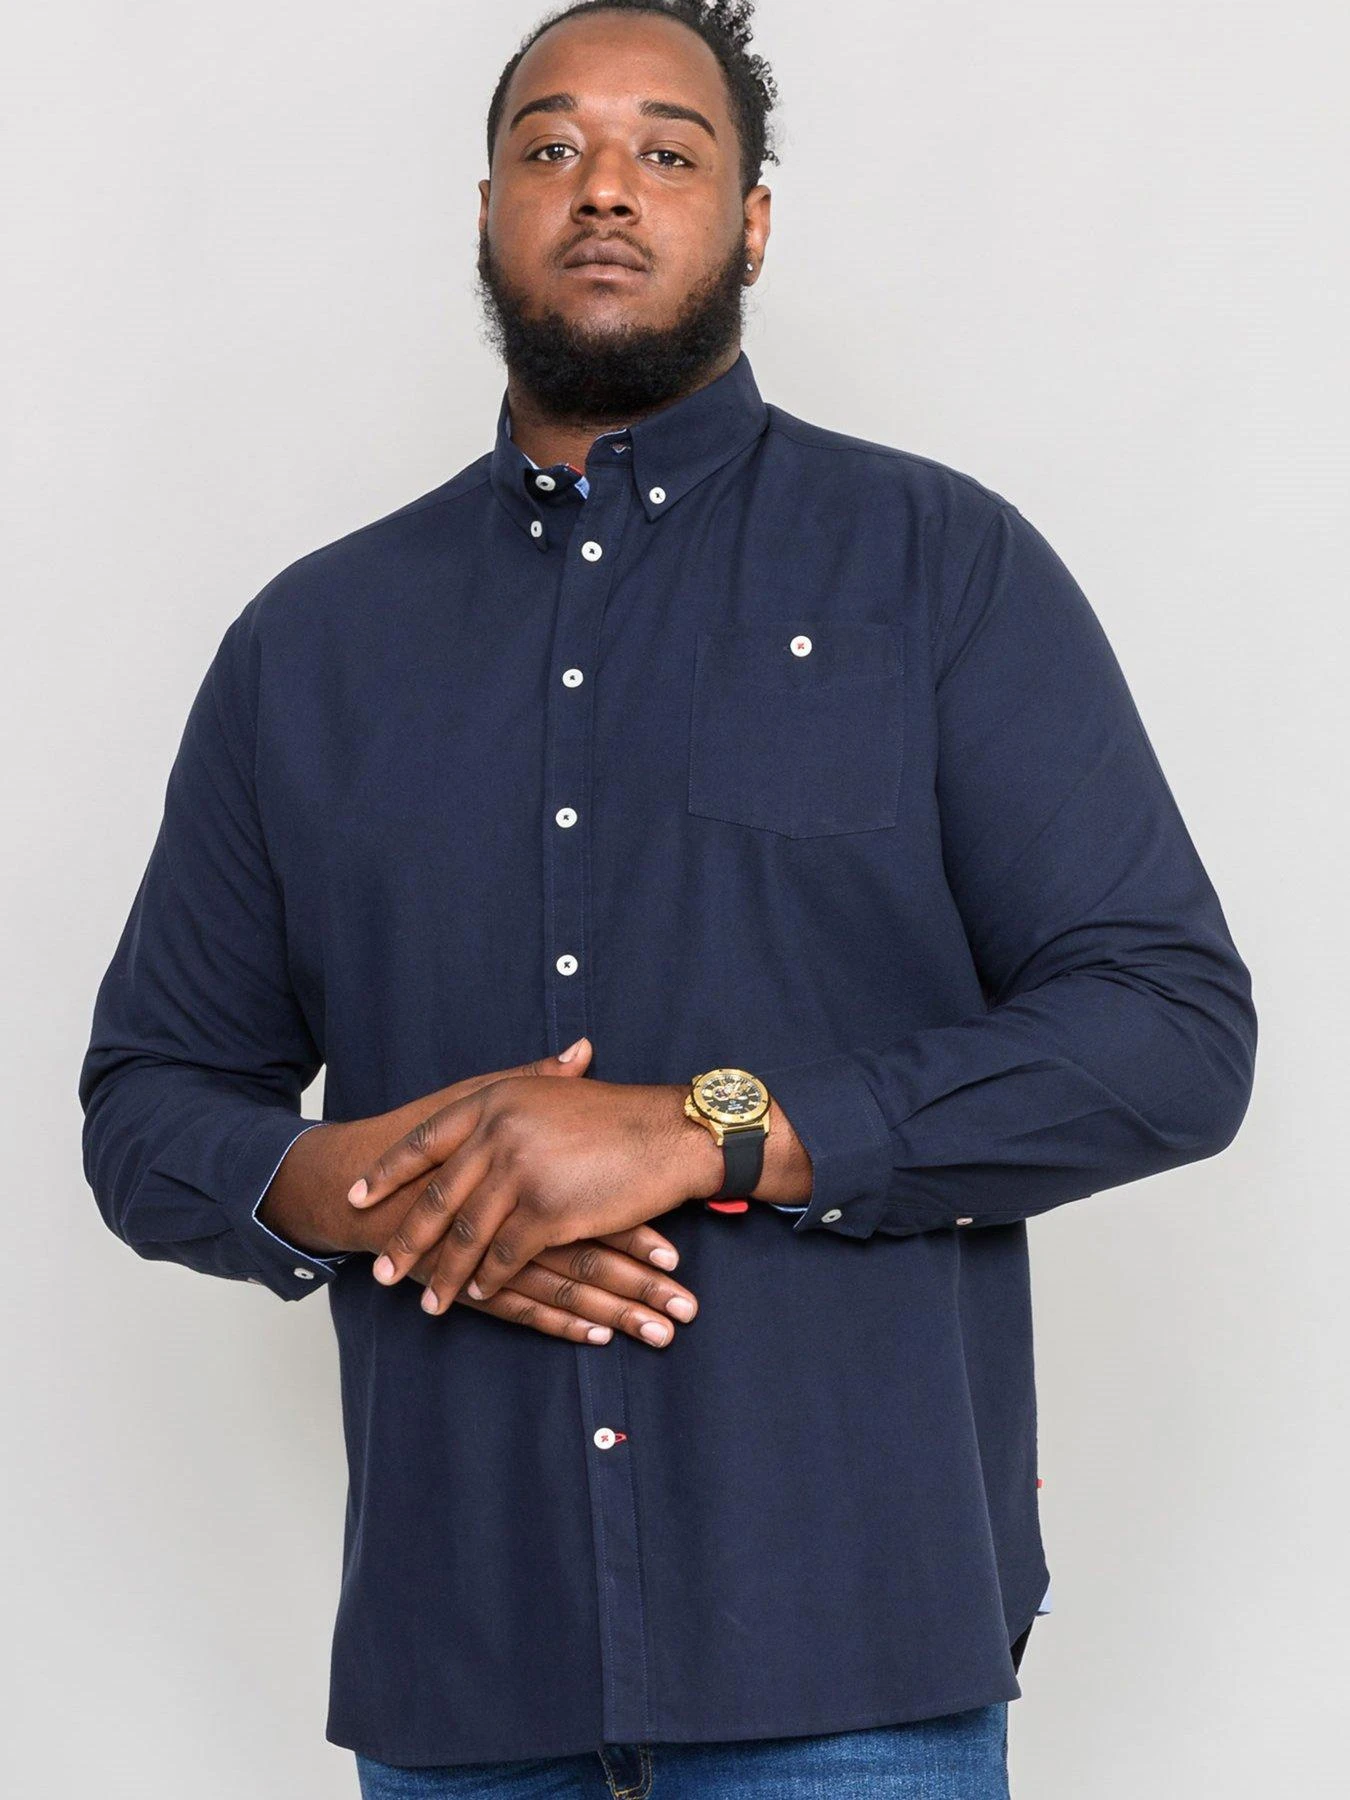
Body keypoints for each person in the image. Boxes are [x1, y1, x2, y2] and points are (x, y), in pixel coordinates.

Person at [77, 2, 1258, 1795]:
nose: (604, 187)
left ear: (752, 221)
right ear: (487, 213)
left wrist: (704, 1129)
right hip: (464, 1661)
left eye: (667, 151)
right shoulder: (309, 646)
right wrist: (406, 1181)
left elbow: (1165, 1033)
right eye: (551, 148)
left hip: (850, 1652)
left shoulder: (939, 569)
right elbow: (150, 1105)